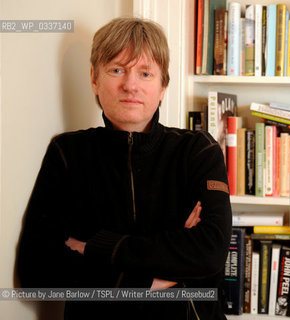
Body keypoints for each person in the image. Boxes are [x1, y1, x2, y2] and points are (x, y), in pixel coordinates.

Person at [17, 17, 232, 319]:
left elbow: (210, 254)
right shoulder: (67, 153)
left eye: (145, 73)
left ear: (163, 86)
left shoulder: (198, 150)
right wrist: (152, 279)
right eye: (116, 70)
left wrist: (96, 247)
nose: (130, 85)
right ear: (94, 78)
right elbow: (37, 271)